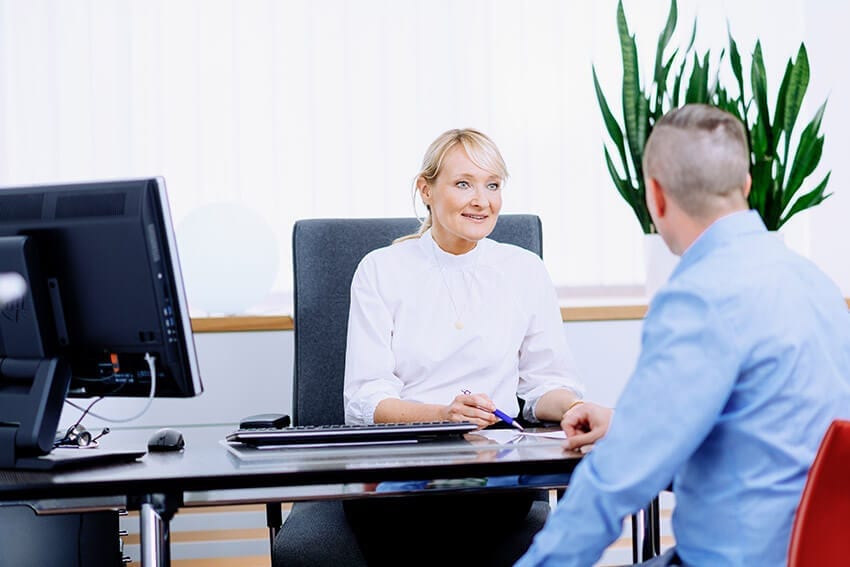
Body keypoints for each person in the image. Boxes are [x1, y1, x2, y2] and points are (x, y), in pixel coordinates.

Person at [516, 104, 850, 566]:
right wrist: (628, 422)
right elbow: (768, 425)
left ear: (655, 196)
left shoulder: (699, 297)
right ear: (747, 185)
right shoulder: (817, 285)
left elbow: (616, 480)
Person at [342, 128, 595, 565]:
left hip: (492, 468)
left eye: (492, 185)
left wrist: (572, 407)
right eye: (464, 184)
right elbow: (365, 400)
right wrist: (443, 415)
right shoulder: (381, 270)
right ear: (426, 189)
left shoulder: (523, 270)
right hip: (400, 466)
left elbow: (544, 384)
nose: (482, 200)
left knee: (478, 507)